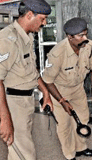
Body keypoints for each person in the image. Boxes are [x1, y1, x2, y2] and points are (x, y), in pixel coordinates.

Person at [42, 17, 92, 160]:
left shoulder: (89, 46)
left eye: (86, 33)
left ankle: (80, 148)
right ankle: (70, 155)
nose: (85, 38)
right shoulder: (57, 53)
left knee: (83, 119)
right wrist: (61, 100)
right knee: (64, 125)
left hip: (78, 89)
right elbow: (48, 81)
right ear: (70, 37)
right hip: (59, 90)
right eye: (80, 35)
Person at [0, 0, 53, 159]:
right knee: (25, 155)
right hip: (12, 104)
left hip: (26, 102)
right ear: (30, 15)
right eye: (42, 19)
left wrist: (45, 92)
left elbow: (32, 71)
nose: (44, 23)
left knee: (19, 153)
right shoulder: (7, 40)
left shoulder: (27, 38)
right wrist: (5, 119)